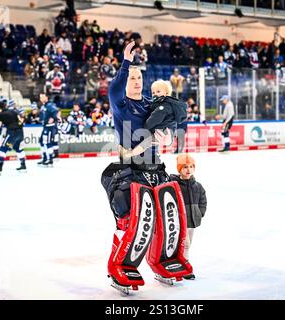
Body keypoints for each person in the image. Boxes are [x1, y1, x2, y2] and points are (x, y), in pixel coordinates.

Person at [101, 42, 192, 294]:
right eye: (132, 77)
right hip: (131, 170)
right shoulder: (121, 105)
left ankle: (164, 260)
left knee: (166, 217)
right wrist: (125, 64)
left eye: (139, 77)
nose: (137, 81)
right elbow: (114, 89)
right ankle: (119, 265)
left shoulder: (152, 104)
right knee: (132, 222)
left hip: (156, 168)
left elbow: (169, 125)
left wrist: (169, 137)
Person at [118, 80, 187, 160]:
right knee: (148, 143)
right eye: (153, 92)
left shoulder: (164, 106)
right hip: (163, 130)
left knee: (145, 143)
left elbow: (155, 118)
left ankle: (130, 153)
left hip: (163, 131)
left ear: (166, 93)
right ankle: (135, 153)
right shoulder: (161, 103)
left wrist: (145, 127)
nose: (155, 94)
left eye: (158, 91)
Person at [170, 154, 207, 280]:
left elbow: (203, 200)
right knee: (185, 244)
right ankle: (185, 269)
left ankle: (180, 264)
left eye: (191, 166)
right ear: (179, 169)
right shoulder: (174, 185)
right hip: (179, 222)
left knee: (188, 244)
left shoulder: (197, 186)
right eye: (185, 167)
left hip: (192, 221)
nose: (188, 169)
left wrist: (200, 213)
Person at [0, 100, 26, 174]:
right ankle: (23, 165)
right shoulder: (14, 111)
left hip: (12, 133)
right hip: (20, 133)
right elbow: (21, 121)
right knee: (18, 148)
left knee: (3, 149)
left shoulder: (1, 115)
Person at [38, 93, 58, 166]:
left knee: (47, 142)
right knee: (42, 142)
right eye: (40, 97)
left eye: (42, 97)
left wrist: (53, 118)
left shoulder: (49, 104)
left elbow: (56, 111)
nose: (41, 98)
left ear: (46, 97)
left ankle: (50, 159)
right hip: (45, 126)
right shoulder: (44, 106)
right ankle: (45, 158)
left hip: (50, 127)